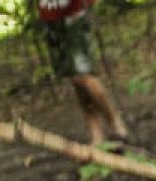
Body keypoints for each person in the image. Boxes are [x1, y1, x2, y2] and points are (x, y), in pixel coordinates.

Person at [36, 0, 129, 146]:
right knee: (75, 80)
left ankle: (115, 122)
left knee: (84, 76)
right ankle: (96, 133)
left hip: (74, 15)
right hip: (51, 17)